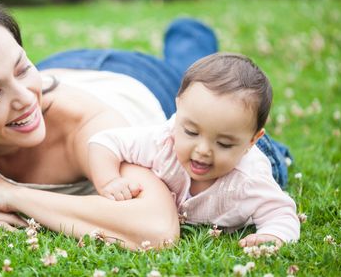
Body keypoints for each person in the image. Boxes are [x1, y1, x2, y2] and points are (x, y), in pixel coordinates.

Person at [0, 0, 291, 249]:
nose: (25, 97)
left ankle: (192, 32)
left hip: (132, 81)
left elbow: (155, 228)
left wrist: (12, 196)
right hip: (64, 67)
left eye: (22, 66)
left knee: (201, 75)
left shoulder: (95, 132)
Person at [86, 53, 300, 247]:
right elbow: (105, 141)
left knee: (277, 160)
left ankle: (276, 150)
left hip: (263, 156)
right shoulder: (163, 141)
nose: (203, 150)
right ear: (178, 109)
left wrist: (273, 235)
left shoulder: (250, 180)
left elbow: (281, 213)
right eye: (191, 132)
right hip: (233, 135)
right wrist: (109, 180)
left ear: (251, 140)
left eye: (223, 143)